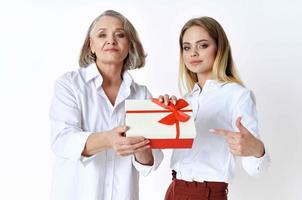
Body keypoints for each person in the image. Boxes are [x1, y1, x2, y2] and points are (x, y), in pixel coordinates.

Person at [49, 10, 163, 200]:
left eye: (120, 34)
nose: (111, 40)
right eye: (102, 35)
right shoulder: (69, 84)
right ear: (91, 45)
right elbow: (62, 140)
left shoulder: (142, 95)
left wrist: (154, 126)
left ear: (130, 45)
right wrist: (108, 139)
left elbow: (149, 163)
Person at [163, 16, 270, 200]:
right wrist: (157, 116)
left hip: (207, 194)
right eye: (187, 47)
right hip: (174, 190)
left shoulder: (238, 95)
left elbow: (256, 169)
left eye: (202, 45)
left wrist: (256, 149)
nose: (193, 53)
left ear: (219, 49)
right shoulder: (185, 100)